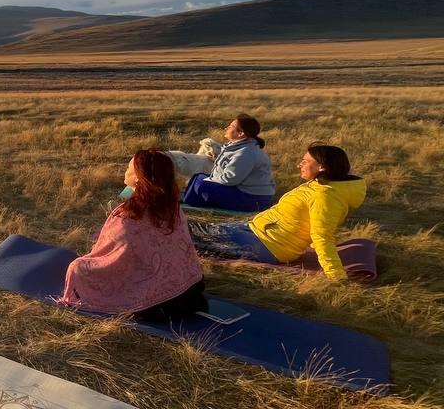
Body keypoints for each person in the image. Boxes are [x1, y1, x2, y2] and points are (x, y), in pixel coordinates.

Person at [62, 149, 206, 320]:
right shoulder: (173, 206)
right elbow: (127, 194)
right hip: (189, 290)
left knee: (76, 267)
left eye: (130, 167)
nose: (127, 169)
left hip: (153, 301)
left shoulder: (128, 216)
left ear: (139, 177)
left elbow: (112, 255)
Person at [188, 144, 366, 280]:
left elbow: (322, 236)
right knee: (200, 230)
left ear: (322, 167)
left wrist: (336, 275)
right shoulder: (320, 184)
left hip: (268, 245)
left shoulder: (326, 197)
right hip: (257, 230)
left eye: (305, 161)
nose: (299, 165)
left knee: (190, 232)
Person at [180, 113, 276, 212]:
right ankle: (188, 201)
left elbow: (230, 179)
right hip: (251, 194)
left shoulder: (246, 152)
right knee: (198, 177)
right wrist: (216, 159)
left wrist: (210, 179)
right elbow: (236, 167)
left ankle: (189, 205)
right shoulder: (244, 148)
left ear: (241, 133)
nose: (226, 128)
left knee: (200, 183)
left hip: (253, 200)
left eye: (231, 126)